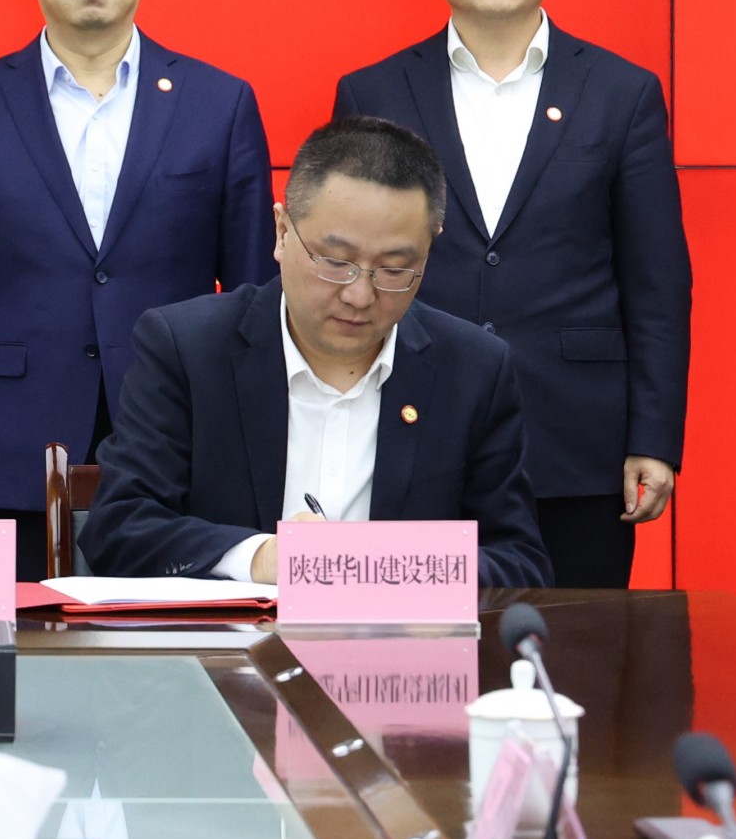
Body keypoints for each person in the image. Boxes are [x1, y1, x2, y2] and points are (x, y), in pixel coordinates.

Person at [331, 0, 689, 588]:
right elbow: (341, 274)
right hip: (408, 419)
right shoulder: (375, 92)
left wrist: (654, 438)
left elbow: (656, 282)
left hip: (576, 437)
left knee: (577, 648)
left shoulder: (621, 94)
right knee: (408, 645)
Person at [0, 0, 274, 579]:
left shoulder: (218, 102)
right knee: (25, 630)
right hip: (14, 432)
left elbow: (255, 296)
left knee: (176, 630)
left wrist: (252, 443)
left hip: (181, 425)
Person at [82, 115, 552, 588]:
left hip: (396, 636)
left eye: (394, 270)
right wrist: (263, 558)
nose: (360, 296)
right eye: (336, 262)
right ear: (282, 232)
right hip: (229, 635)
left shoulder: (472, 369)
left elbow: (519, 564)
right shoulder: (188, 347)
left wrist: (381, 565)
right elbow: (120, 529)